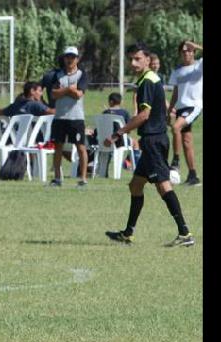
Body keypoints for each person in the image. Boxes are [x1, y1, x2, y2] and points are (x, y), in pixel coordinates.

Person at [104, 44, 195, 248]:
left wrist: (118, 133)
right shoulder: (152, 79)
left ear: (147, 59)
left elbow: (144, 115)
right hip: (153, 140)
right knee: (135, 185)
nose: (133, 63)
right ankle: (128, 233)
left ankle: (184, 233)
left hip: (153, 140)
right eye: (131, 59)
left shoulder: (146, 81)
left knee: (163, 186)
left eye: (137, 59)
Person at [45, 46, 91, 187]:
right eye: (67, 57)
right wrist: (69, 89)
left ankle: (83, 179)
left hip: (76, 118)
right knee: (58, 147)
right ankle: (58, 178)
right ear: (64, 58)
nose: (70, 59)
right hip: (60, 117)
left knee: (80, 147)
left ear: (77, 59)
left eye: (72, 57)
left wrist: (64, 91)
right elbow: (53, 94)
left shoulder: (82, 75)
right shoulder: (57, 75)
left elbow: (79, 94)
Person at [168, 40, 203, 186]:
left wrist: (197, 46)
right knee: (187, 142)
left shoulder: (199, 66)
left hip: (194, 106)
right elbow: (176, 92)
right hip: (181, 108)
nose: (186, 53)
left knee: (176, 128)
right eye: (183, 51)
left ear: (193, 52)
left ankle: (175, 161)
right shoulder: (177, 71)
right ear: (180, 54)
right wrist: (170, 109)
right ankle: (193, 176)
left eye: (189, 50)